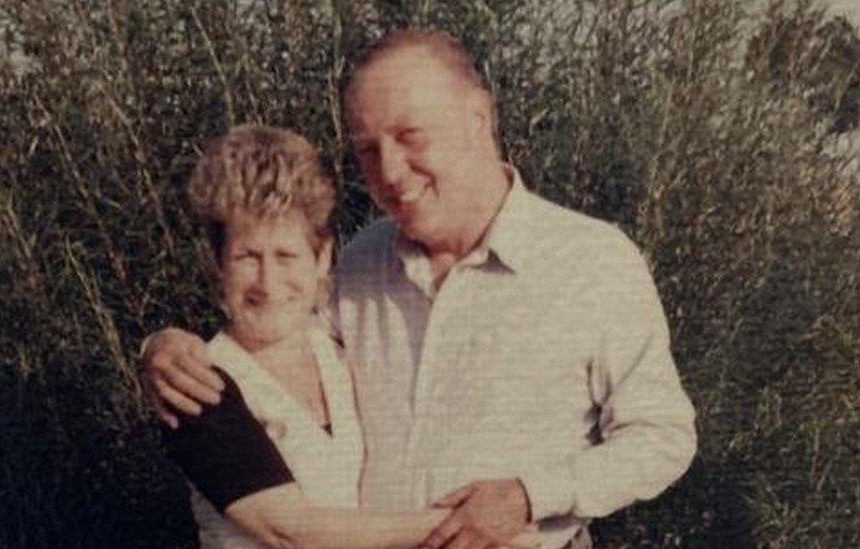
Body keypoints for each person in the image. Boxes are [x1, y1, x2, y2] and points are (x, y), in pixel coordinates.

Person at [145, 30, 697, 549]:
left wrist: (531, 495)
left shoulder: (590, 260)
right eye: (367, 148)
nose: (389, 170)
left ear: (478, 119)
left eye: (410, 137)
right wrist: (164, 347)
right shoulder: (361, 261)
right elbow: (269, 340)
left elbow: (661, 437)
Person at [165, 124, 454, 548]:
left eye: (286, 256)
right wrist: (461, 525)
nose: (267, 282)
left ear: (322, 259)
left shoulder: (340, 348)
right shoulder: (196, 386)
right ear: (218, 265)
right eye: (247, 257)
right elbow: (294, 533)